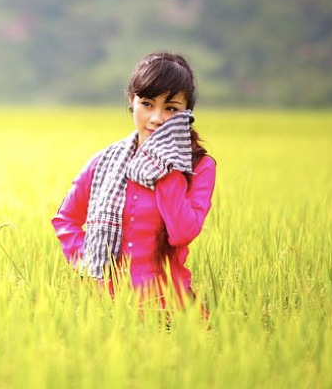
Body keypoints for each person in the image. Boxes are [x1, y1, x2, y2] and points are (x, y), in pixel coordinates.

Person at [51, 51, 216, 320]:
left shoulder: (198, 167)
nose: (157, 118)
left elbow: (182, 233)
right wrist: (90, 262)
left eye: (171, 108)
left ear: (187, 113)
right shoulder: (104, 161)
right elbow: (65, 219)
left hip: (169, 307)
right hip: (104, 307)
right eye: (148, 104)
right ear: (132, 101)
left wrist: (165, 168)